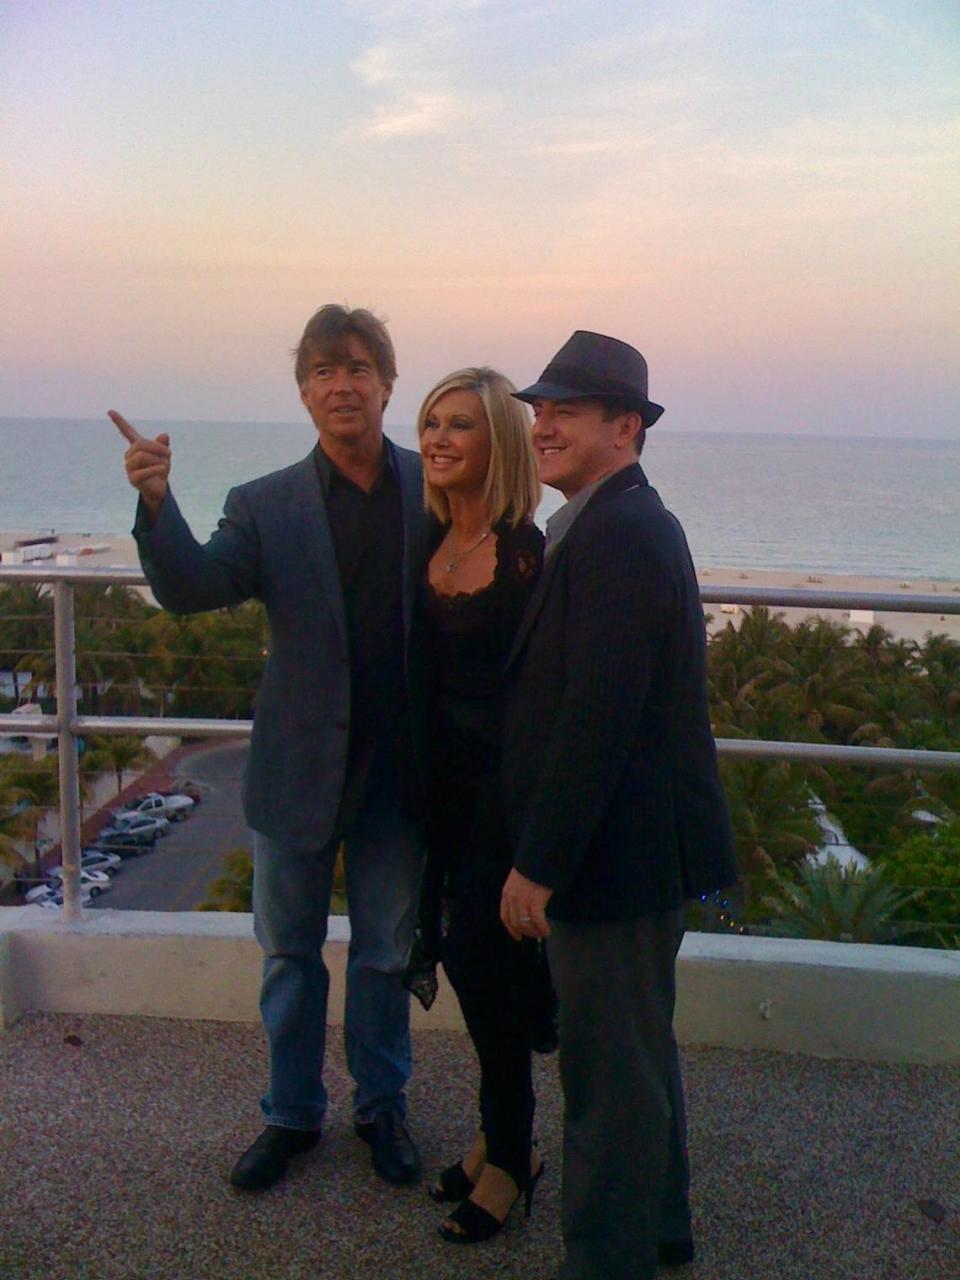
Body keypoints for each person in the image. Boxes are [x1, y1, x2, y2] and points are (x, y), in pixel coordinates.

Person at [109, 304, 429, 1192]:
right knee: (289, 956)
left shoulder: (434, 490)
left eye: (359, 368)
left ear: (387, 384)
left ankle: (382, 1107)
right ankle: (291, 1115)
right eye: (324, 371)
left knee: (382, 956)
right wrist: (155, 503)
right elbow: (189, 588)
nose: (342, 384)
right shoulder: (265, 504)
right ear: (304, 393)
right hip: (295, 773)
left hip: (399, 777)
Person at [498, 331, 739, 1280]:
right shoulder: (607, 524)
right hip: (627, 849)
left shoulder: (623, 533)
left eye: (565, 409)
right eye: (539, 407)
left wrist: (539, 863)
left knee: (607, 1082)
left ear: (626, 429)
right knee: (636, 1058)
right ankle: (659, 1229)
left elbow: (601, 714)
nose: (541, 422)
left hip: (613, 857)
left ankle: (606, 1262)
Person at [405, 367, 547, 1245]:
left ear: (497, 442)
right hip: (439, 794)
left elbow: (544, 691)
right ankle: (500, 1136)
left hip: (503, 791)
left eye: (460, 425)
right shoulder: (424, 538)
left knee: (486, 969)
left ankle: (514, 1158)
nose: (438, 438)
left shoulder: (523, 550)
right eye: (429, 422)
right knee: (469, 968)